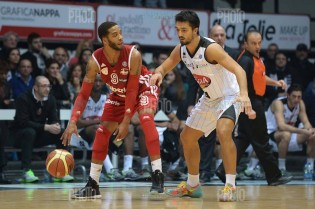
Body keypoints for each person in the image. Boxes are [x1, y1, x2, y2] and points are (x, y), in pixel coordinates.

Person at [149, 10, 253, 201]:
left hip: (231, 95)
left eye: (184, 30)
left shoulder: (210, 49)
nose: (180, 34)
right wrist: (158, 74)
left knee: (223, 131)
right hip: (210, 98)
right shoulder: (181, 49)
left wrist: (245, 95)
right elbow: (165, 66)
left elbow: (239, 69)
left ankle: (230, 186)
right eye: (178, 29)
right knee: (187, 137)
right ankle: (193, 185)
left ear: (195, 30)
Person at [61, 21, 164, 199]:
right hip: (119, 93)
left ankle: (157, 174)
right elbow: (83, 94)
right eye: (115, 34)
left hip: (143, 87)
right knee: (102, 131)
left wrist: (125, 122)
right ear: (105, 40)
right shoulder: (94, 61)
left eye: (120, 33)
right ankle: (93, 184)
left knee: (146, 119)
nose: (121, 37)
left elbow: (132, 90)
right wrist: (72, 122)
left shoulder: (134, 54)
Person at [215, 30, 292, 186]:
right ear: (245, 44)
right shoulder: (245, 61)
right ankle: (274, 176)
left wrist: (276, 83)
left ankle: (223, 170)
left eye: (259, 43)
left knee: (243, 140)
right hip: (250, 104)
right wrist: (247, 106)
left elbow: (261, 78)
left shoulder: (256, 59)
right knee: (262, 141)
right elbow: (237, 83)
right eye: (253, 43)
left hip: (251, 103)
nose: (257, 46)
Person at [11, 76, 73, 183]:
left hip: (38, 135)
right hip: (19, 136)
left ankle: (60, 171)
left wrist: (55, 126)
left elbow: (54, 118)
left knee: (62, 132)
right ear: (35, 87)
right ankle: (26, 171)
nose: (47, 89)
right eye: (44, 86)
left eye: (49, 86)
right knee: (30, 132)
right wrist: (46, 127)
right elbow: (23, 122)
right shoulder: (23, 98)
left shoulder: (50, 99)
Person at [266, 84, 315, 174]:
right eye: (294, 96)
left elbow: (306, 123)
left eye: (299, 97)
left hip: (291, 133)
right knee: (286, 134)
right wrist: (302, 130)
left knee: (313, 134)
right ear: (288, 95)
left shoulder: (300, 103)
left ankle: (310, 167)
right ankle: (281, 168)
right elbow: (281, 126)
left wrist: (310, 130)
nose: (296, 99)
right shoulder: (278, 103)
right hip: (272, 134)